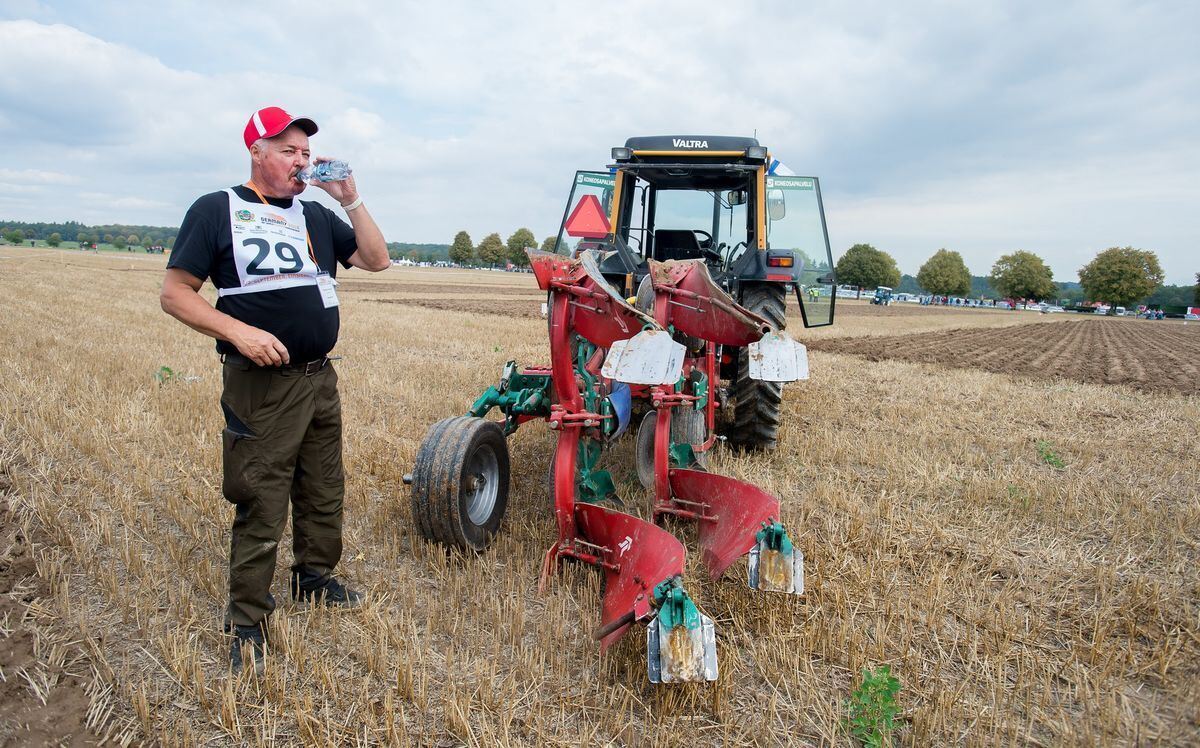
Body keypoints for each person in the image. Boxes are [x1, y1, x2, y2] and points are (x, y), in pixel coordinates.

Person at [160, 106, 391, 674]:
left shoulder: (315, 214)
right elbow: (175, 293)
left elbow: (377, 260)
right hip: (262, 384)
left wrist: (350, 199)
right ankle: (247, 620)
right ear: (256, 152)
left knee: (322, 486)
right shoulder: (218, 210)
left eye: (306, 153)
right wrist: (239, 332)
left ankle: (314, 579)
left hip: (319, 377)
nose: (301, 161)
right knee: (261, 494)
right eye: (288, 150)